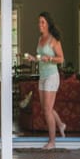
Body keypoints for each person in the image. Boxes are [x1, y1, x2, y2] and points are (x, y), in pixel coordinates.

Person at [26, 12, 66, 149]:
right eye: (39, 22)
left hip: (52, 76)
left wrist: (49, 59)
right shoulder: (40, 39)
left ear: (48, 24)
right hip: (42, 76)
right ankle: (60, 125)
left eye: (42, 22)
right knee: (45, 109)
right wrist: (33, 58)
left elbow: (61, 59)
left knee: (48, 110)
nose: (40, 25)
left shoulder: (53, 40)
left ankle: (52, 142)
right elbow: (40, 57)